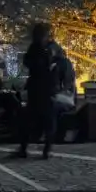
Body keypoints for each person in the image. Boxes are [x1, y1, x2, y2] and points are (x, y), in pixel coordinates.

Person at [17, 23, 56, 158]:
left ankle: (24, 148)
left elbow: (28, 63)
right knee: (47, 120)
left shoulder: (33, 49)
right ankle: (46, 149)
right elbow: (45, 68)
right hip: (43, 89)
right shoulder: (43, 50)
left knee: (30, 119)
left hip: (35, 88)